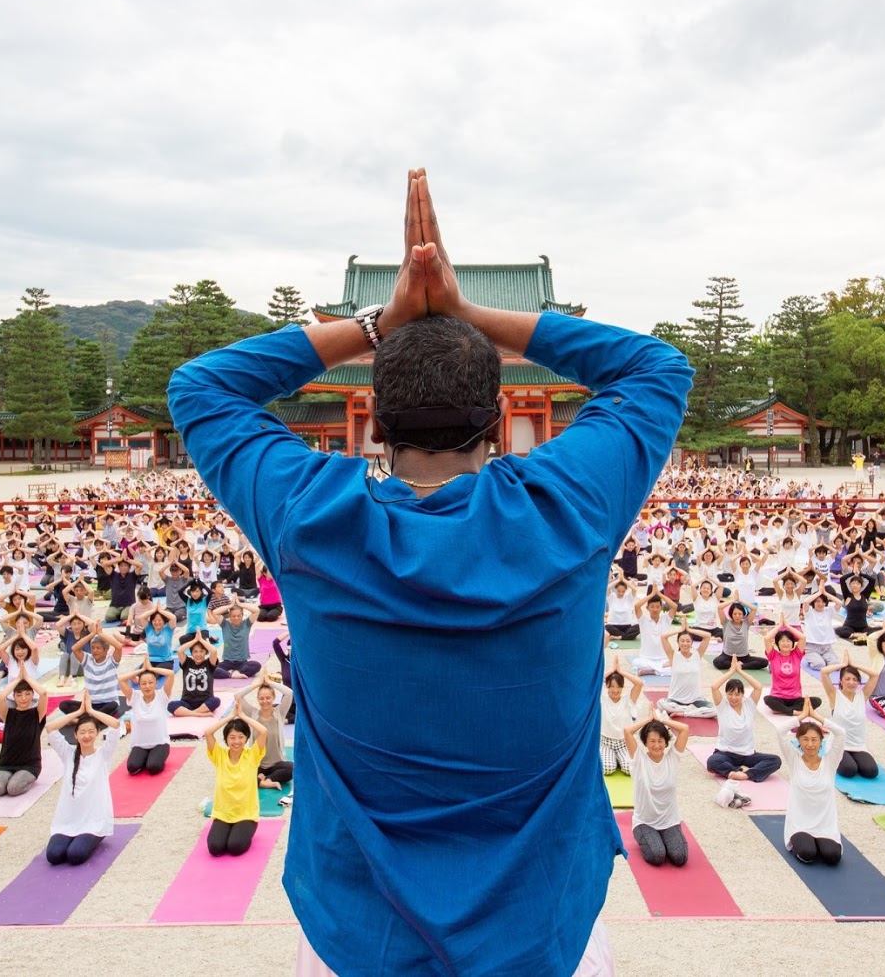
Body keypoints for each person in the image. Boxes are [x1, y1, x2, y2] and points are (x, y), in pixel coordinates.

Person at [168, 170, 688, 973]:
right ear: (498, 419)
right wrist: (470, 315)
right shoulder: (565, 510)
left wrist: (382, 323)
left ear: (370, 420)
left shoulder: (313, 518)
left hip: (359, 928)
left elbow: (201, 386)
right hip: (542, 925)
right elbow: (657, 370)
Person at [44, 701, 120, 864]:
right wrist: (77, 713)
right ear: (75, 735)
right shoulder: (68, 753)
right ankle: (72, 837)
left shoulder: (103, 755)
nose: (87, 736)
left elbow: (115, 725)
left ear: (98, 733)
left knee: (75, 855)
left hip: (93, 822)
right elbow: (50, 728)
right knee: (54, 855)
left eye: (91, 732)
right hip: (68, 821)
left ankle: (95, 837)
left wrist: (91, 711)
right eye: (82, 732)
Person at [623, 712, 691, 867]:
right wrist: (648, 720)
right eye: (652, 741)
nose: (656, 745)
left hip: (669, 821)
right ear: (645, 742)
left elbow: (685, 729)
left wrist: (661, 719)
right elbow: (627, 731)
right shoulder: (638, 759)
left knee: (680, 857)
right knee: (657, 856)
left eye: (660, 740)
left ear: (666, 742)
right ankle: (646, 837)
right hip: (645, 822)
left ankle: (664, 837)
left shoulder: (672, 758)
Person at [205, 701, 269, 857]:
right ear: (226, 739)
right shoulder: (219, 755)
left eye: (241, 737)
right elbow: (208, 733)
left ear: (246, 739)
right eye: (232, 737)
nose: (236, 741)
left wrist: (242, 716)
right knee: (215, 848)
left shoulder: (252, 756)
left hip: (246, 814)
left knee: (235, 847)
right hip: (223, 813)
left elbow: (263, 731)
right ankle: (228, 830)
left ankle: (246, 830)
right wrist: (230, 717)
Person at [782, 716, 846, 865]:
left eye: (814, 739)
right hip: (800, 824)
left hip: (825, 825)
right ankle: (803, 841)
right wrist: (801, 717)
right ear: (798, 740)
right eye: (805, 739)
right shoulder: (794, 760)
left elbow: (841, 733)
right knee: (807, 854)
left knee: (833, 857)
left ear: (821, 741)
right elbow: (780, 732)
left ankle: (820, 842)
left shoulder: (830, 762)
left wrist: (818, 717)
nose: (810, 744)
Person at [705, 660, 781, 782]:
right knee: (712, 762)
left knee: (775, 760)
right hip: (726, 753)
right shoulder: (723, 706)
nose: (733, 698)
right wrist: (731, 671)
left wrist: (740, 671)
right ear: (726, 694)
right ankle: (738, 770)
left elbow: (758, 686)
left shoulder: (748, 705)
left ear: (742, 694)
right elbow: (714, 687)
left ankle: (745, 774)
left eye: (737, 694)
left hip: (747, 755)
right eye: (730, 694)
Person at [819, 657, 878, 778]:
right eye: (847, 679)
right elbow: (824, 672)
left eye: (855, 680)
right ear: (841, 681)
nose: (851, 682)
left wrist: (855, 665)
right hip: (839, 744)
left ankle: (852, 757)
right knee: (849, 770)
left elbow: (875, 675)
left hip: (858, 745)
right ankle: (836, 756)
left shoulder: (863, 695)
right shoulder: (834, 695)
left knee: (871, 772)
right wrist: (843, 664)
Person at [0, 676, 48, 797]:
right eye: (19, 695)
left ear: (33, 695)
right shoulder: (8, 714)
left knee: (13, 789)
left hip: (30, 764)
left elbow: (43, 693)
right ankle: (12, 777)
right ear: (14, 696)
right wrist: (17, 680)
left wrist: (27, 677)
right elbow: (0, 697)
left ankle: (25, 779)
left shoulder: (37, 714)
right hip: (7, 764)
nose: (23, 698)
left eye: (28, 694)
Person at [119, 663, 175, 775]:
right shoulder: (135, 697)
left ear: (156, 683)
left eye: (151, 683)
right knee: (132, 768)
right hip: (140, 744)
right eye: (143, 683)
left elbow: (171, 674)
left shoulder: (162, 696)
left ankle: (154, 758)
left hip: (160, 743)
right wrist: (140, 671)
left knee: (153, 767)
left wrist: (150, 668)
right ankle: (146, 757)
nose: (147, 686)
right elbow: (121, 679)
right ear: (139, 685)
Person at [599, 656, 646, 775]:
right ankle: (611, 758)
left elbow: (639, 684)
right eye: (612, 686)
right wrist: (611, 671)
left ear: (622, 687)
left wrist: (621, 672)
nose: (615, 690)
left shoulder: (628, 700)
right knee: (608, 768)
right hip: (606, 741)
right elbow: (592, 681)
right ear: (607, 686)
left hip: (623, 742)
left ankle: (619, 759)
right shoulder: (602, 699)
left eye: (618, 686)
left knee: (630, 769)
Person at [658, 625, 717, 718]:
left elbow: (707, 636)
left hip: (695, 700)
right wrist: (680, 629)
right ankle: (690, 710)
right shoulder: (673, 655)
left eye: (688, 641)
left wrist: (689, 630)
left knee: (715, 710)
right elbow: (663, 637)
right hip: (675, 700)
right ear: (678, 642)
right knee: (661, 704)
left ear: (692, 642)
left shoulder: (698, 654)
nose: (685, 643)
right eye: (682, 641)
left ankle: (686, 713)